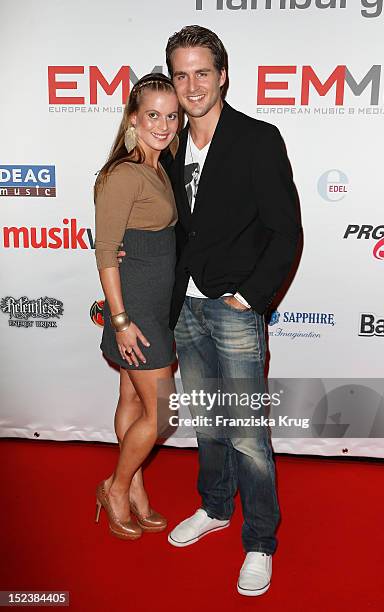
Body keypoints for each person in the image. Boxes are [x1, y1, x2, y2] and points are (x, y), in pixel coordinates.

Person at [119, 26, 302, 595]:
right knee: (208, 420)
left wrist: (248, 297)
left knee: (246, 431)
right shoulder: (166, 144)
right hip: (184, 308)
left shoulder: (257, 139)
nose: (192, 85)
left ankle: (260, 541)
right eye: (181, 74)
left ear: (223, 75)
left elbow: (286, 231)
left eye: (203, 72)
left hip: (234, 308)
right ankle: (217, 507)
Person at [94, 73, 181, 540]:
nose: (164, 124)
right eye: (153, 115)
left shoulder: (159, 165)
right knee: (163, 412)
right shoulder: (123, 173)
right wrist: (122, 321)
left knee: (131, 398)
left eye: (171, 115)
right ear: (133, 118)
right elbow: (106, 250)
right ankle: (115, 486)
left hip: (152, 304)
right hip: (136, 313)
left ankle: (136, 492)